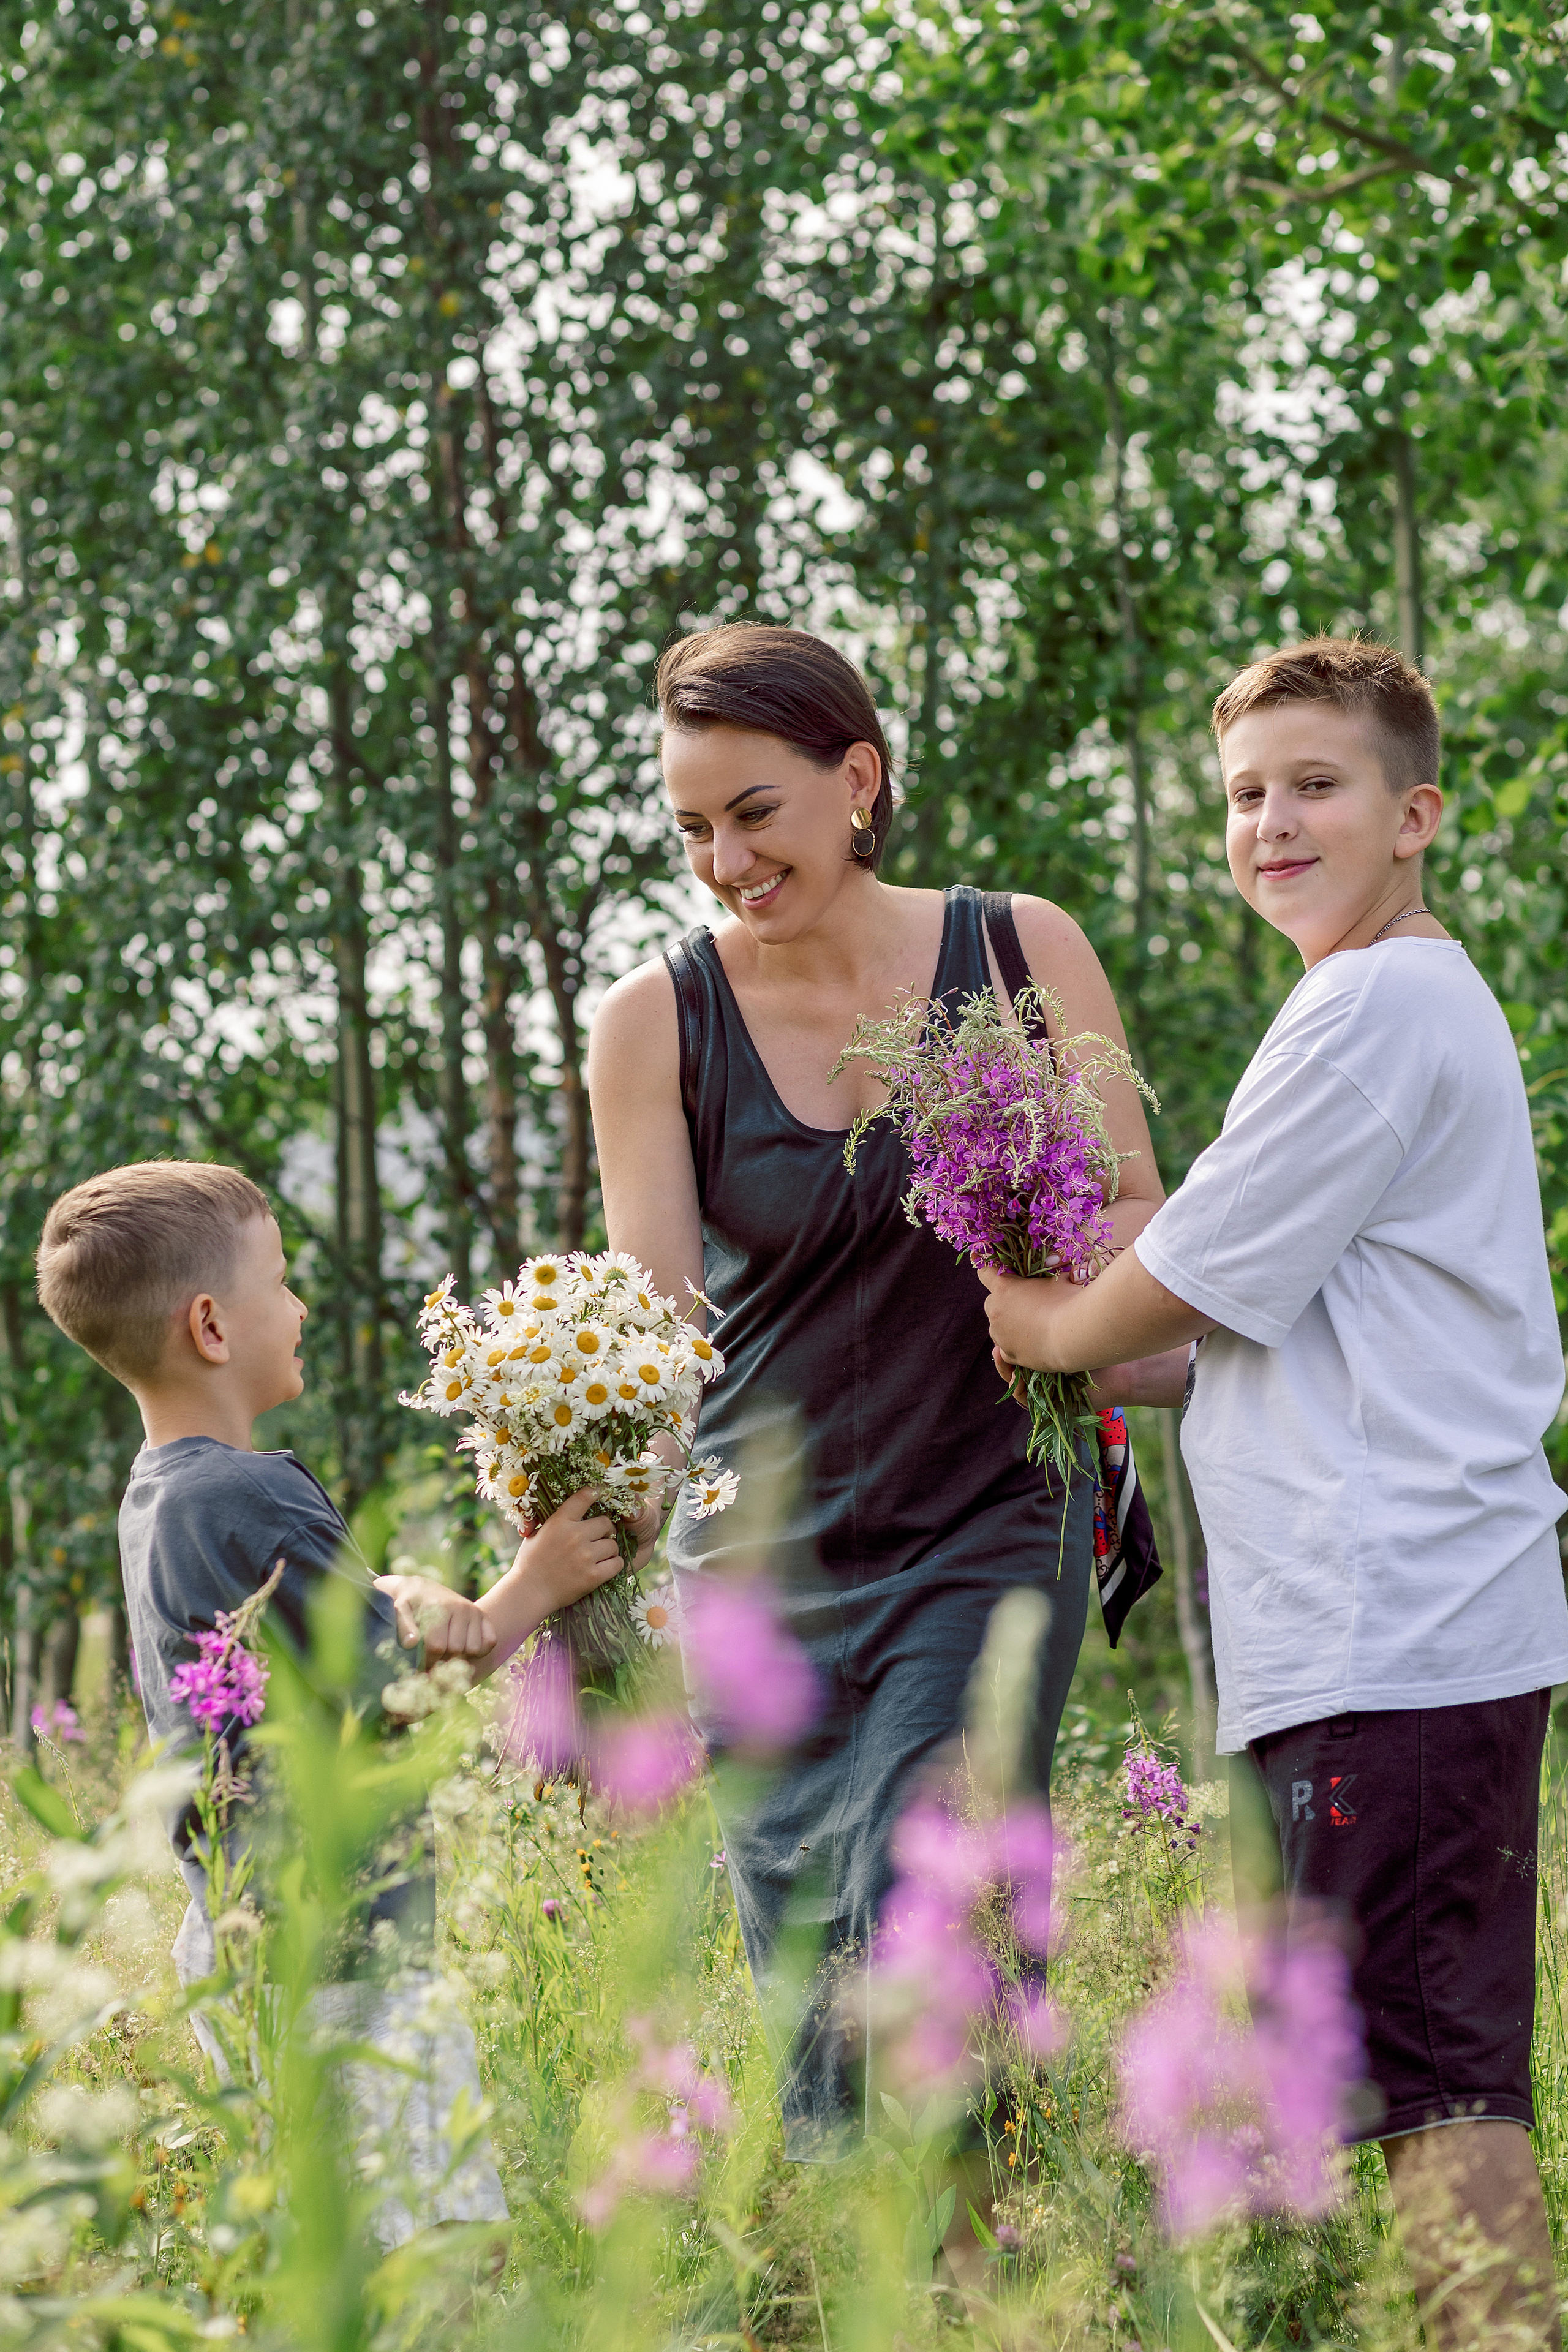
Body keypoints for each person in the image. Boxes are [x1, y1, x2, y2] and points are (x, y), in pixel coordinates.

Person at [980, 638, 1568, 2349]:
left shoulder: (1377, 1006)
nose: (1272, 822)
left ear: (1417, 815)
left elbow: (1157, 1291)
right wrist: (1083, 1343)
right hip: (1392, 1633)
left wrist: (1034, 1321)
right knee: (1412, 2070)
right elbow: (1230, 1331)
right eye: (1245, 795)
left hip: (1399, 1630)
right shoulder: (1375, 1001)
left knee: (1434, 2088)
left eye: (1317, 784)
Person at [587, 622, 1178, 2160]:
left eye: (754, 813)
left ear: (856, 779)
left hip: (987, 1520)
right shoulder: (653, 1021)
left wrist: (1048, 1267)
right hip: (761, 1569)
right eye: (692, 828)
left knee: (944, 1898)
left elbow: (1134, 1216)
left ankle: (981, 2268)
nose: (722, 859)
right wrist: (558, 1571)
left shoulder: (1017, 950)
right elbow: (657, 1344)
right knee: (818, 1978)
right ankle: (879, 2282)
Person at [34, 1159, 626, 2242]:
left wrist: (401, 1588)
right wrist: (532, 1584)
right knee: (435, 2250)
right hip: (346, 1949)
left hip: (238, 1935)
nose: (299, 1308)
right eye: (283, 1281)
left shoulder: (163, 1498)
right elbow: (395, 1697)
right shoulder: (258, 1493)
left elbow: (294, 1630)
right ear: (211, 1325)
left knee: (325, 2242)